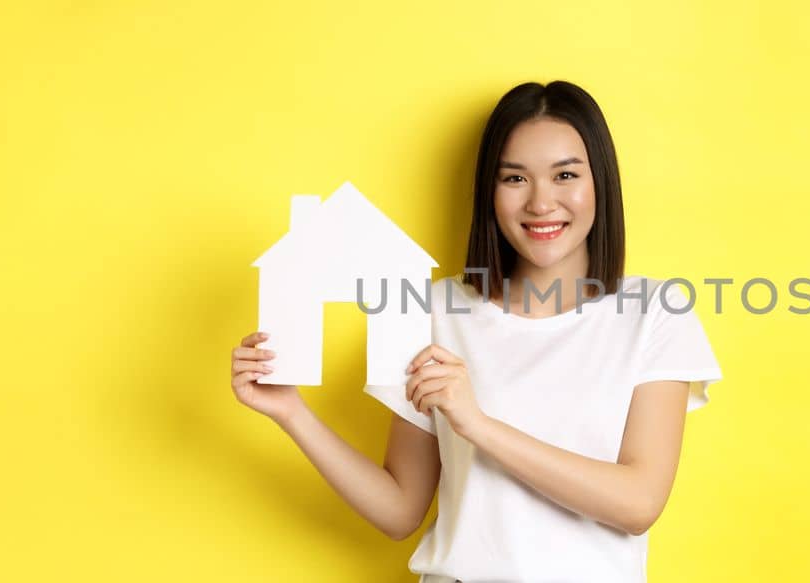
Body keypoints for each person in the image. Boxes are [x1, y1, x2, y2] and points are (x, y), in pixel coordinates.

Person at [228, 80, 722, 582]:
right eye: (514, 179)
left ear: (601, 184)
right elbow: (400, 510)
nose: (541, 203)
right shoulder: (436, 310)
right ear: (490, 190)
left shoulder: (654, 312)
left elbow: (638, 503)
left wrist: (477, 424)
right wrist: (291, 413)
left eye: (566, 174)